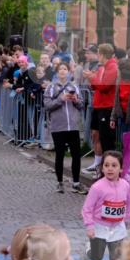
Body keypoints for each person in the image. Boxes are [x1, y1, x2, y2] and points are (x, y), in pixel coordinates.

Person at [80, 150, 130, 260]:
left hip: (118, 228)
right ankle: (88, 250)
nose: (110, 169)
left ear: (121, 169)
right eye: (106, 165)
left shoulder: (125, 185)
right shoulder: (97, 188)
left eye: (114, 165)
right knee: (97, 257)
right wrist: (90, 226)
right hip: (99, 227)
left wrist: (126, 219)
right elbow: (87, 209)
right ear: (102, 168)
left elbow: (129, 203)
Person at [44, 63, 84, 194]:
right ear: (57, 72)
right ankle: (59, 182)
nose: (63, 71)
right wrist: (61, 99)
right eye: (60, 69)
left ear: (68, 71)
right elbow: (48, 105)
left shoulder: (74, 86)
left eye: (65, 69)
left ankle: (76, 182)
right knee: (60, 155)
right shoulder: (51, 87)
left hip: (73, 126)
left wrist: (75, 100)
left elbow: (81, 105)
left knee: (76, 155)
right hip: (58, 126)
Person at [83, 43, 118, 174]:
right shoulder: (103, 67)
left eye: (98, 53)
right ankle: (98, 164)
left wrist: (91, 77)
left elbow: (104, 86)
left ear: (102, 54)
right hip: (99, 106)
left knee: (106, 139)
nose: (97, 55)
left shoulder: (113, 67)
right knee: (96, 135)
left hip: (106, 107)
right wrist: (92, 77)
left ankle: (108, 169)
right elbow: (96, 85)